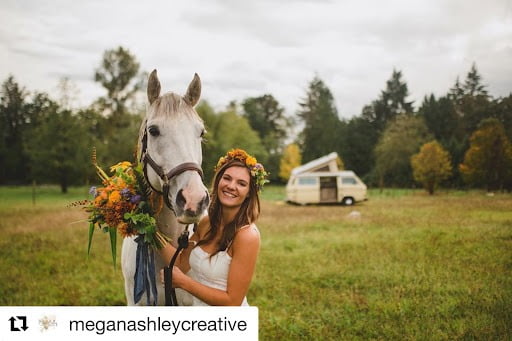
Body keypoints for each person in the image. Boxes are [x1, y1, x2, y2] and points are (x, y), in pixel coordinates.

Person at [158, 148, 269, 306]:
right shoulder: (206, 223)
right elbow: (181, 263)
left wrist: (184, 283)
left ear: (249, 192)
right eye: (227, 178)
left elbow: (232, 301)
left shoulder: (247, 236)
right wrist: (149, 229)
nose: (231, 186)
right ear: (218, 181)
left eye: (241, 183)